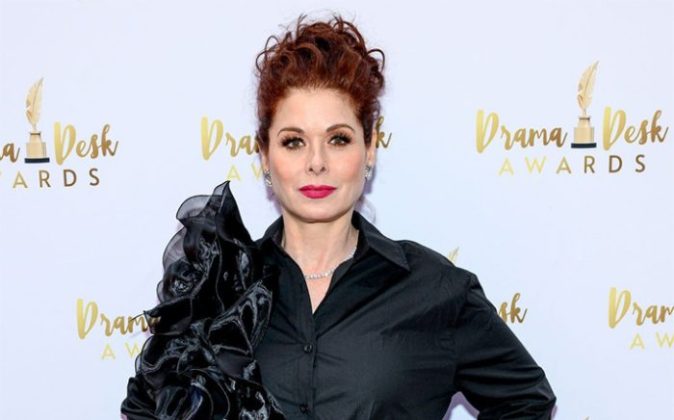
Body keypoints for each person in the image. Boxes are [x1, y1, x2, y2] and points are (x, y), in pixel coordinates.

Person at [122, 13, 556, 420]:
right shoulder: (219, 289)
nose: (316, 162)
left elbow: (526, 399)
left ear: (370, 149)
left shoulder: (435, 290)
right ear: (265, 156)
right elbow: (146, 405)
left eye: (338, 139)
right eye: (294, 141)